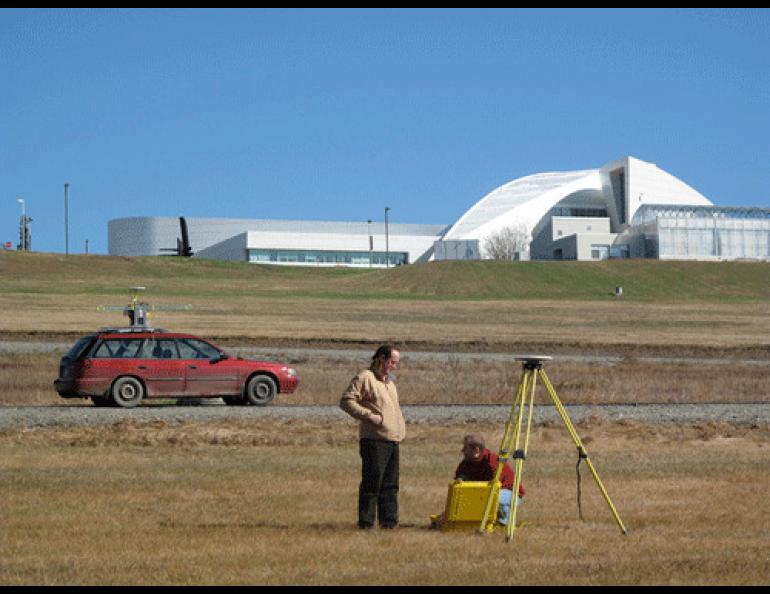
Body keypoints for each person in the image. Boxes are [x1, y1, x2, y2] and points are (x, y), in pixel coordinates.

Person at [340, 345, 406, 530]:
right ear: (381, 359)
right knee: (372, 483)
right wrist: (368, 415)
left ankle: (389, 523)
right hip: (374, 440)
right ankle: (367, 523)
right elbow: (346, 400)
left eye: (396, 363)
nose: (394, 366)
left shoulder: (390, 382)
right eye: (392, 362)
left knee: (391, 484)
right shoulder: (365, 377)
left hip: (393, 439)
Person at [455, 435, 525, 526]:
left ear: (476, 450)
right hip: (486, 493)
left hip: (511, 493)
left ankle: (504, 522)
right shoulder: (466, 463)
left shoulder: (492, 461)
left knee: (489, 498)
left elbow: (494, 487)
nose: (462, 450)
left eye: (465, 448)